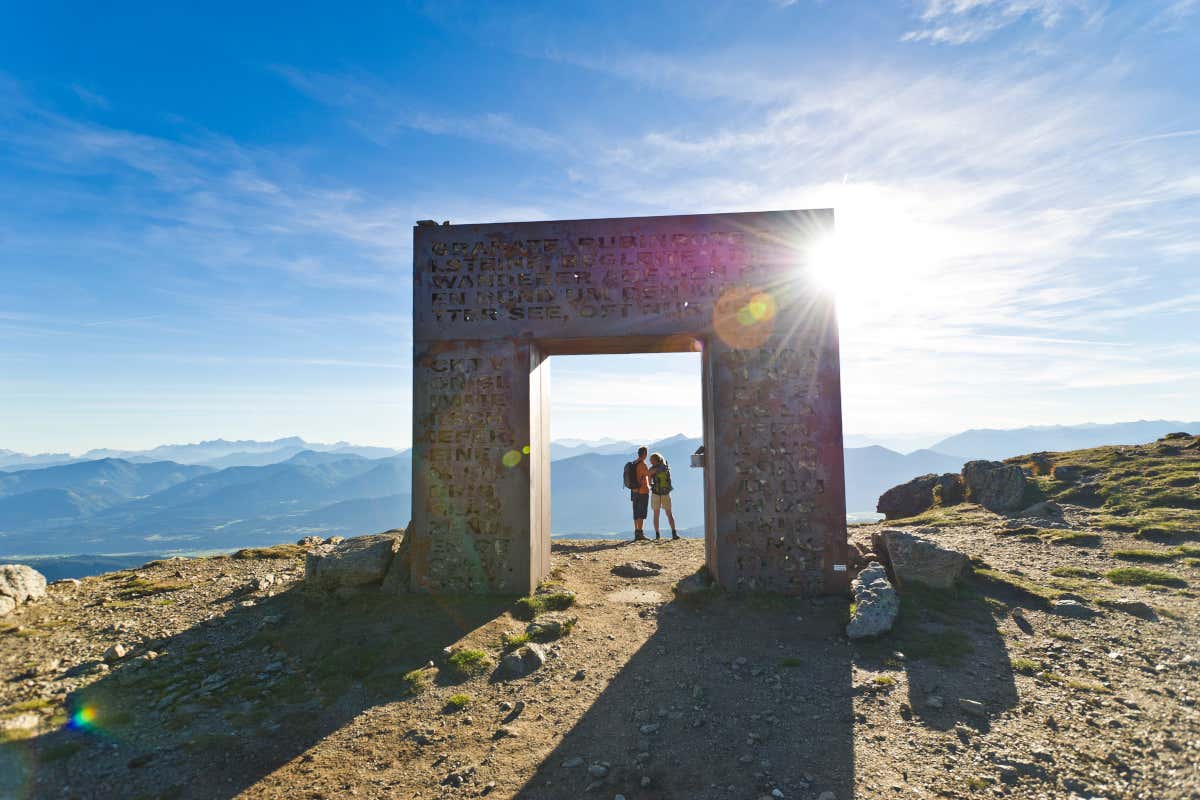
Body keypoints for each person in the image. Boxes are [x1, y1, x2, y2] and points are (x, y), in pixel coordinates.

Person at [647, 452, 679, 540]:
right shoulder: (665, 467)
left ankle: (657, 535)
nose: (650, 462)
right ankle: (674, 533)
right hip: (666, 493)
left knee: (656, 514)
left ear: (655, 460)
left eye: (651, 460)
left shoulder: (652, 469)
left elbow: (649, 480)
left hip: (656, 493)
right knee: (669, 513)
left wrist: (650, 485)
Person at [630, 446, 650, 542]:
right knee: (641, 512)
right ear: (645, 454)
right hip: (642, 491)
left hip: (633, 491)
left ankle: (636, 532)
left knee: (635, 511)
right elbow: (648, 474)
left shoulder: (633, 463)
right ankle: (640, 533)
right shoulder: (643, 464)